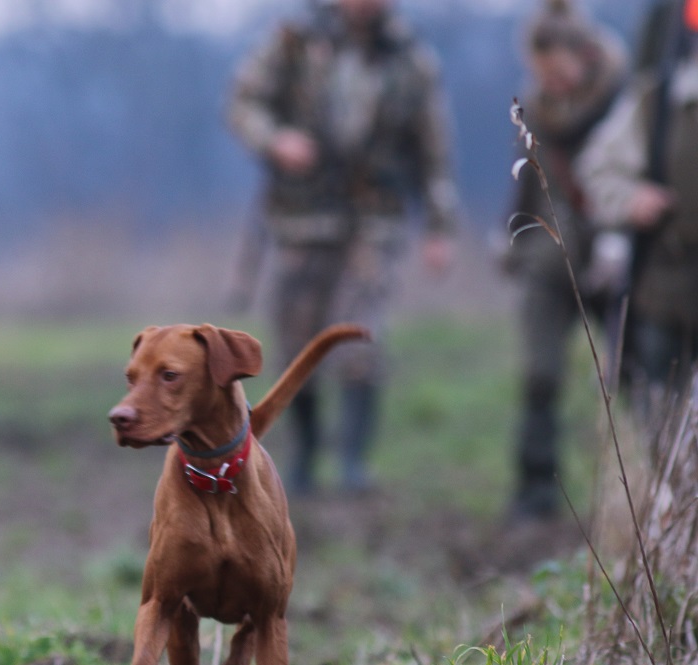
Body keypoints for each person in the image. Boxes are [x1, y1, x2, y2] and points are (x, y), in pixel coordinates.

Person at [228, 0, 458, 495]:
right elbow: (242, 104)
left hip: (376, 217)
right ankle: (306, 457)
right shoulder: (291, 41)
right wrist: (276, 140)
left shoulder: (411, 59)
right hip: (303, 216)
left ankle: (353, 462)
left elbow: (434, 147)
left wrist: (440, 226)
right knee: (296, 337)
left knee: (359, 335)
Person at [505, 0, 627, 521]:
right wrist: (509, 237)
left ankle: (659, 486)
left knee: (638, 372)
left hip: (619, 260)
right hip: (547, 261)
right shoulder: (535, 109)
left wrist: (619, 239)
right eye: (541, 72)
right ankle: (536, 490)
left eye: (558, 71)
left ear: (585, 55)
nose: (550, 82)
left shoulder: (627, 103)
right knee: (540, 375)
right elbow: (531, 184)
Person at [578, 0, 698, 407]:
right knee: (658, 417)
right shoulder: (658, 101)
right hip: (663, 286)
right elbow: (598, 169)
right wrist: (630, 199)